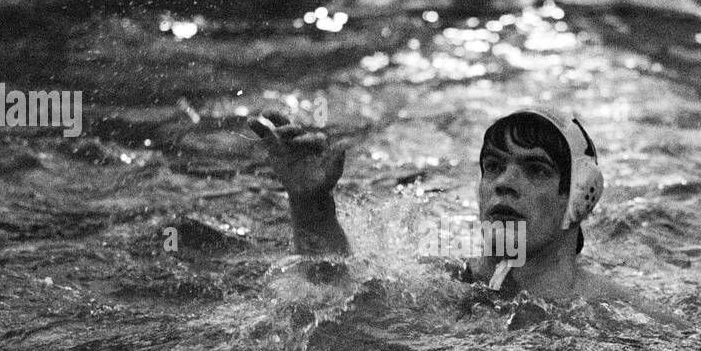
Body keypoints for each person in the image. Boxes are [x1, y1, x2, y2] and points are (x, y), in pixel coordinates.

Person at [249, 106, 645, 304]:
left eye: (535, 170)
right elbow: (329, 294)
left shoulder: (617, 312)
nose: (505, 183)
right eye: (493, 167)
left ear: (579, 197)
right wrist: (311, 204)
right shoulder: (442, 286)